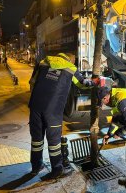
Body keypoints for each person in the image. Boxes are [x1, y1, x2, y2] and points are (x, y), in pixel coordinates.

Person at [28, 52, 94, 180]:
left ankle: (36, 167)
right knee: (54, 142)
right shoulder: (71, 68)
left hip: (35, 106)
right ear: (70, 60)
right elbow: (83, 84)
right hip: (53, 110)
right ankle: (57, 169)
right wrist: (94, 83)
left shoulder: (42, 63)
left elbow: (32, 82)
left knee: (36, 139)